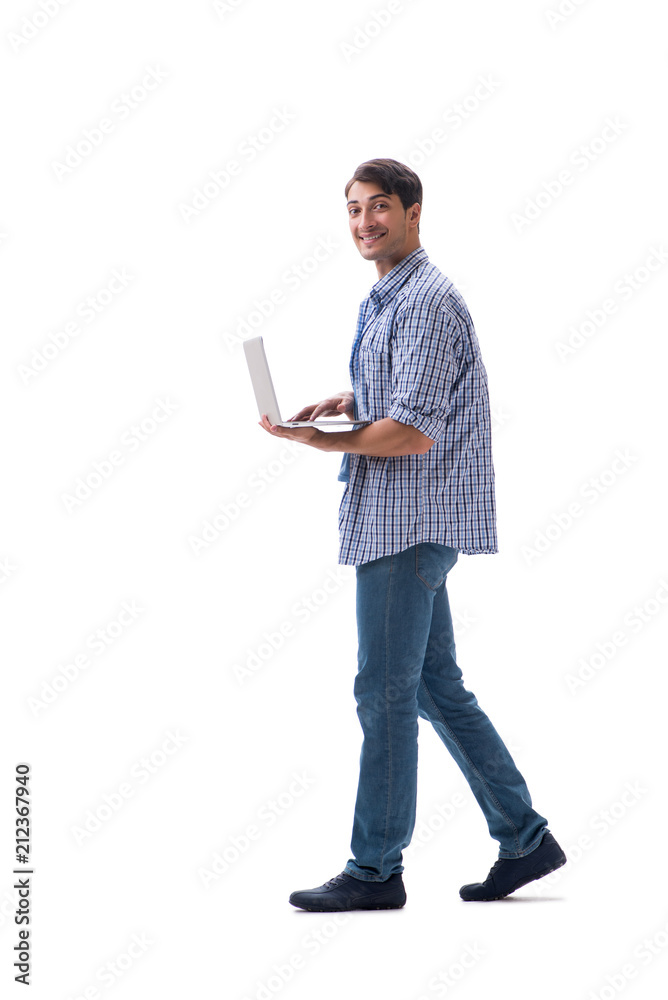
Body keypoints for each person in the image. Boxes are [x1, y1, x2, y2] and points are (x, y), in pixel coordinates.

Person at [258, 157, 566, 910]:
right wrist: (348, 400)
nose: (365, 222)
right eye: (354, 210)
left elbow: (413, 432)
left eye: (380, 208)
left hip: (408, 523)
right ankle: (524, 838)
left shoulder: (423, 300)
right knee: (432, 686)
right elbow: (404, 396)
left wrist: (322, 442)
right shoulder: (388, 296)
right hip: (404, 519)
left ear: (414, 210)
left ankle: (375, 871)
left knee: (384, 693)